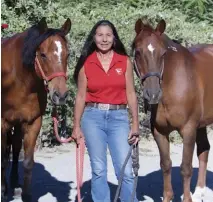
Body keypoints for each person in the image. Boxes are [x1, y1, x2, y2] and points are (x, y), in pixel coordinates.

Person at [72, 20, 139, 202]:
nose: (104, 39)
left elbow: (131, 93)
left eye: (108, 35)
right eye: (100, 35)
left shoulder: (124, 62)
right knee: (99, 169)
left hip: (119, 117)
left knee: (125, 169)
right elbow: (80, 97)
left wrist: (135, 124)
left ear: (114, 38)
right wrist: (76, 126)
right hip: (93, 118)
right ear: (94, 38)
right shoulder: (87, 63)